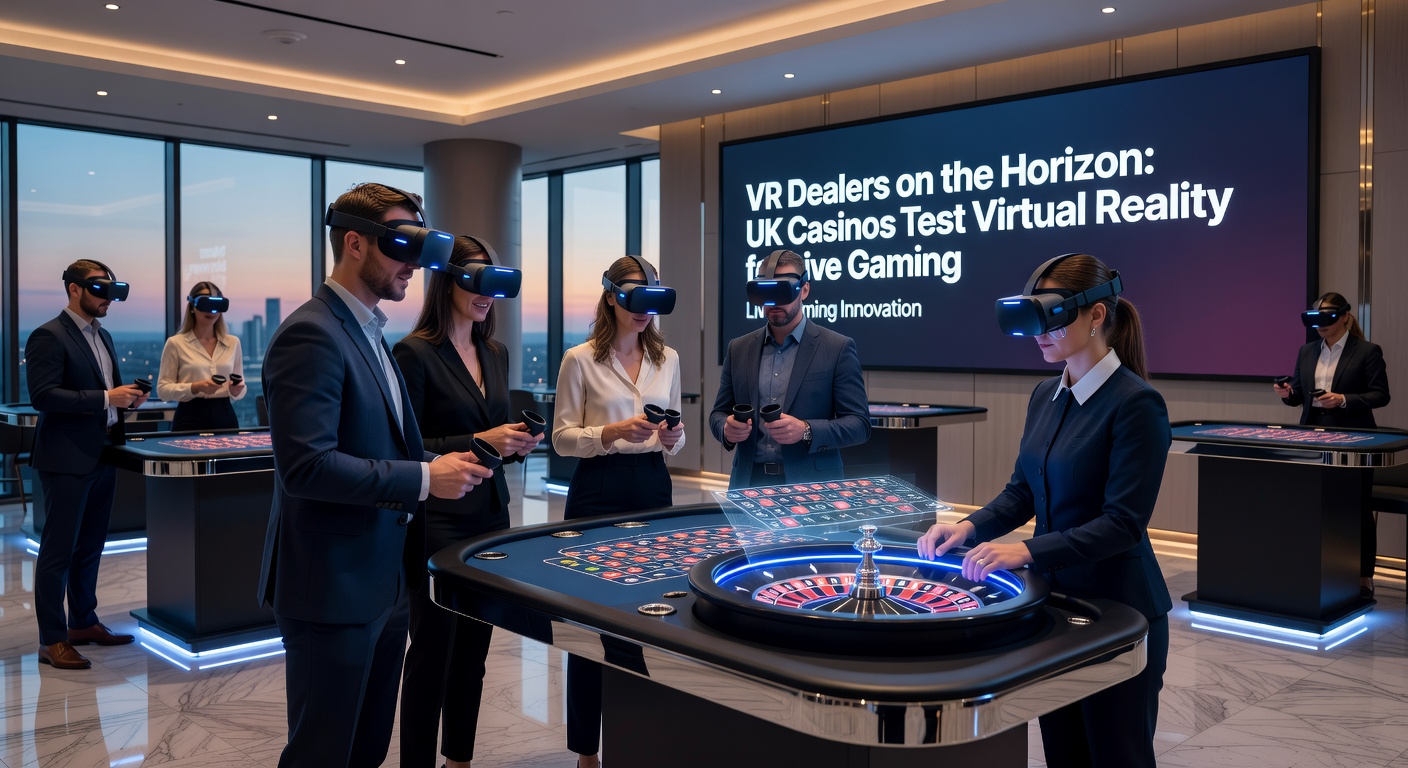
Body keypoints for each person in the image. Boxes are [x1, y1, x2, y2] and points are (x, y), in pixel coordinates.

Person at [256, 182, 493, 768]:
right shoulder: (311, 332)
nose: (412, 263)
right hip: (331, 588)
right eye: (399, 244)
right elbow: (306, 467)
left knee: (365, 751)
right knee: (321, 752)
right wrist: (421, 478)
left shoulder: (370, 331)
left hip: (385, 586)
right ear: (354, 243)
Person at [917, 253, 1171, 768]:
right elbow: (1022, 493)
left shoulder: (1136, 403)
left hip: (1118, 611)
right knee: (1063, 753)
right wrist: (967, 527)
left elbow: (1123, 523)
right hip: (1057, 610)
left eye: (1051, 316)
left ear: (1096, 315)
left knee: (1117, 755)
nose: (1039, 333)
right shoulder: (1044, 395)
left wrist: (1025, 551)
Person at [394, 235, 542, 768]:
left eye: (493, 285)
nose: (485, 295)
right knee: (432, 652)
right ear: (447, 281)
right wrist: (482, 442)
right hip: (437, 519)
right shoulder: (414, 354)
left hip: (489, 516)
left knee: (474, 654)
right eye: (475, 280)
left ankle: (459, 759)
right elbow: (405, 450)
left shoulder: (495, 353)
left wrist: (516, 445)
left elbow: (493, 433)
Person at [552, 255, 686, 768]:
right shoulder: (579, 359)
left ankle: (641, 736)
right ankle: (587, 750)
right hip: (596, 489)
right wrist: (607, 434)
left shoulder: (667, 358)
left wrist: (672, 437)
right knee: (588, 621)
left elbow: (676, 436)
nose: (644, 310)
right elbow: (563, 440)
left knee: (652, 615)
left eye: (653, 299)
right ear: (611, 297)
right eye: (634, 297)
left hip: (653, 484)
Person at [26, 259, 149, 670]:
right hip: (64, 460)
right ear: (74, 289)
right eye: (101, 290)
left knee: (91, 547)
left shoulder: (105, 336)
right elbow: (44, 397)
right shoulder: (48, 335)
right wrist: (104, 399)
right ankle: (51, 640)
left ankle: (82, 622)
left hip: (102, 454)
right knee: (58, 552)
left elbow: (107, 391)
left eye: (113, 291)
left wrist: (127, 398)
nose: (108, 298)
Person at [709, 248, 870, 488]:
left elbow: (859, 425)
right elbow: (717, 414)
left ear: (804, 289)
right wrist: (726, 429)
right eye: (766, 291)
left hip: (813, 488)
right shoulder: (739, 348)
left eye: (782, 290)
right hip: (749, 483)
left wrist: (806, 430)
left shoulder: (837, 348)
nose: (773, 303)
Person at [1273, 291, 1390, 596]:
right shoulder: (1307, 351)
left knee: (1357, 507)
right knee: (1315, 503)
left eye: (1328, 319)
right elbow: (1300, 395)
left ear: (1345, 318)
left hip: (1355, 441)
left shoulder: (1367, 351)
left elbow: (1381, 395)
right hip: (1313, 439)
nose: (1321, 326)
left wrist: (1343, 400)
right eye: (1316, 320)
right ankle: (1316, 567)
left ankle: (1364, 575)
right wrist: (1288, 394)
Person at [157, 281, 246, 431]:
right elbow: (163, 390)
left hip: (225, 415)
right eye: (205, 304)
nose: (211, 311)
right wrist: (195, 387)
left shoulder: (233, 342)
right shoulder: (176, 343)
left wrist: (236, 390)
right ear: (192, 307)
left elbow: (241, 386)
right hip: (189, 417)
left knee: (227, 454)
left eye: (216, 305)